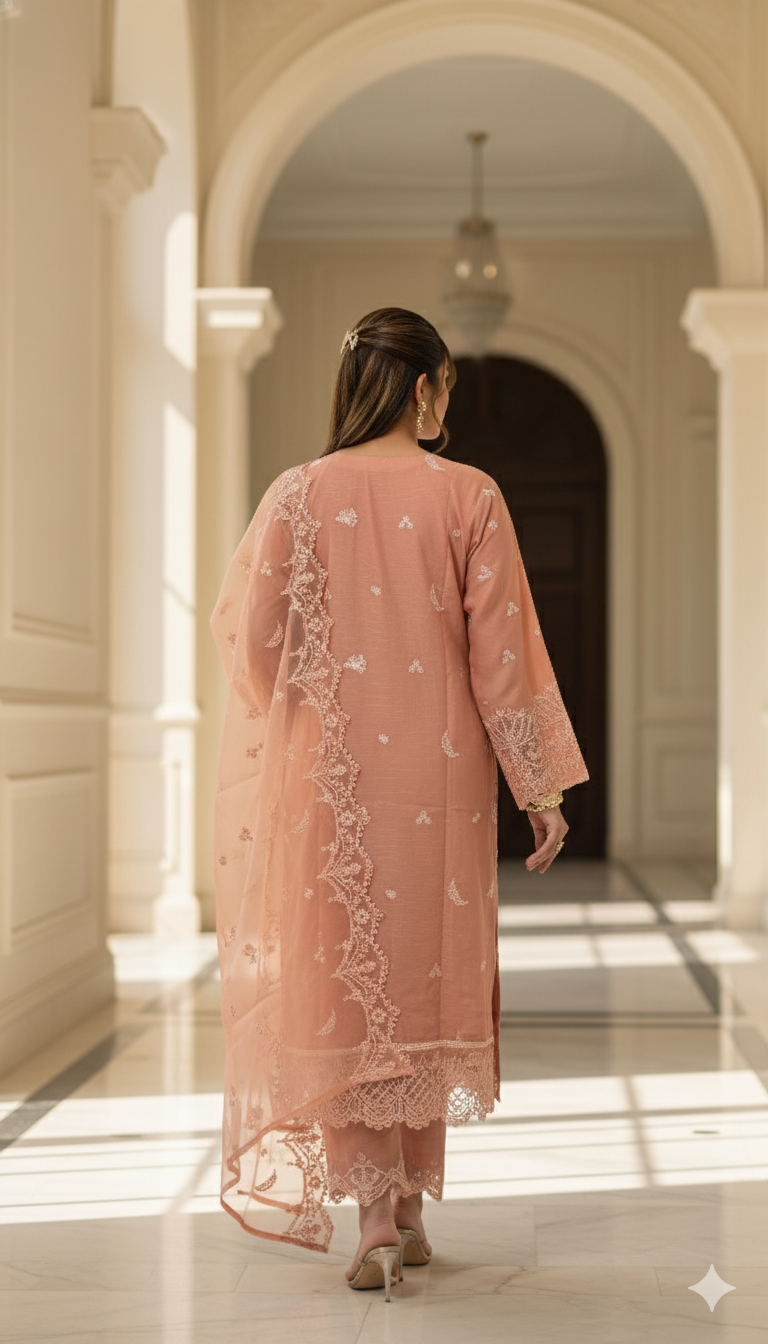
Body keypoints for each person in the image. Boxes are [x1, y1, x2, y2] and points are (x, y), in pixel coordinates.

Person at [210, 307, 588, 1299]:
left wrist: (298, 714)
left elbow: (245, 641)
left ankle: (375, 1217)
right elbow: (506, 661)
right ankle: (408, 1207)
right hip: (443, 782)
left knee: (344, 978)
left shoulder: (295, 496)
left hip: (325, 784)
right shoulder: (470, 495)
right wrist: (537, 788)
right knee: (424, 975)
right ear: (424, 388)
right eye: (446, 391)